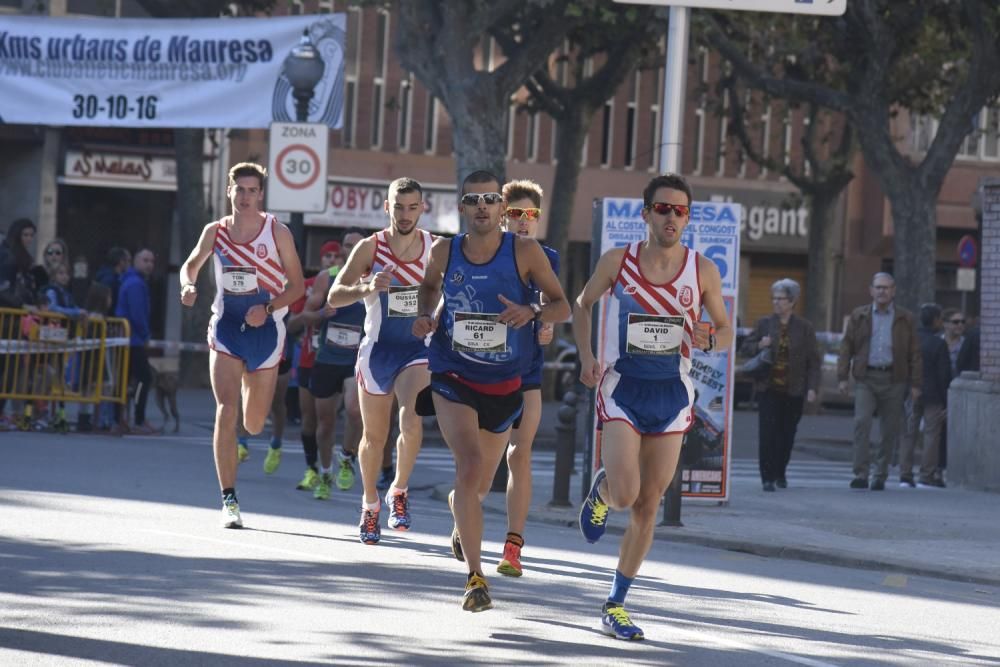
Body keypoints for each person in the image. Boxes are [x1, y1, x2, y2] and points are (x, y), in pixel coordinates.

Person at [572, 173, 732, 640]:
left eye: (680, 210)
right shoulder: (619, 261)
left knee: (647, 506)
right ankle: (603, 492)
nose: (672, 217)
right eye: (663, 208)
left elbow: (723, 329)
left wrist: (710, 338)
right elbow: (582, 304)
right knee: (624, 495)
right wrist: (586, 356)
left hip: (672, 395)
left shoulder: (702, 270)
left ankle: (616, 604)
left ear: (687, 218)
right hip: (624, 387)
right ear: (646, 214)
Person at [412, 169, 569, 612]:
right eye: (472, 199)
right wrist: (425, 316)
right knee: (470, 466)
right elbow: (427, 289)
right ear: (461, 208)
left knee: (479, 484)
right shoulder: (445, 251)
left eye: (489, 199)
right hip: (452, 374)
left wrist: (532, 310)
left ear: (501, 208)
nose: (481, 206)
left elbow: (562, 304)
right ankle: (476, 578)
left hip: (504, 383)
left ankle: (463, 512)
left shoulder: (525, 251)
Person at [179, 162, 304, 528]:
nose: (246, 196)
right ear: (229, 191)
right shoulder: (215, 232)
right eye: (240, 189)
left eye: (252, 190)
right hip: (228, 328)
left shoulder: (276, 231)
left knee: (252, 424)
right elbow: (190, 266)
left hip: (266, 331)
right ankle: (229, 499)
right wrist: (187, 286)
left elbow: (296, 288)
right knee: (226, 411)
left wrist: (267, 308)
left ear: (260, 194)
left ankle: (253, 397)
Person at [329, 179, 436, 544]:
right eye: (398, 207)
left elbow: (448, 293)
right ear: (387, 207)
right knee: (374, 438)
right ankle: (369, 504)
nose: (405, 214)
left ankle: (399, 491)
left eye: (412, 207)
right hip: (376, 350)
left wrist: (434, 317)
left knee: (412, 418)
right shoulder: (368, 247)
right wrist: (366, 287)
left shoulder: (434, 248)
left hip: (416, 349)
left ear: (422, 208)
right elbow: (334, 295)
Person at [493, 178, 558, 577]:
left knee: (519, 453)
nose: (523, 221)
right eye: (515, 214)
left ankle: (513, 546)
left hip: (528, 369)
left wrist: (546, 324)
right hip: (486, 370)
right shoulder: (486, 254)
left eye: (530, 215)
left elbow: (555, 303)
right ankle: (460, 513)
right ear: (503, 217)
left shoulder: (546, 255)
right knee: (481, 462)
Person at [837, 272, 921, 491]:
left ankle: (880, 475)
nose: (882, 291)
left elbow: (914, 352)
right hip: (866, 377)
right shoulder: (859, 315)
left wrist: (915, 384)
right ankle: (861, 473)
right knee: (861, 423)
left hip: (894, 379)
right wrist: (842, 377)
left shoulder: (905, 318)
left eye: (886, 287)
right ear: (871, 290)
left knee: (889, 429)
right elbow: (847, 347)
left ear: (893, 291)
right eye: (878, 287)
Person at [739, 278, 819, 492]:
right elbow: (745, 347)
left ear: (792, 301)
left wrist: (811, 388)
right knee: (767, 434)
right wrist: (759, 344)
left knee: (787, 434)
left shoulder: (804, 327)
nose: (776, 302)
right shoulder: (764, 323)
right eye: (773, 298)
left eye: (781, 299)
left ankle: (780, 472)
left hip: (794, 389)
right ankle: (766, 477)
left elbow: (813, 361)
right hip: (768, 387)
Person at [303, 241, 364, 501]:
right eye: (347, 245)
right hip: (327, 358)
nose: (351, 249)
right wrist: (321, 312)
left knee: (354, 410)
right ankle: (326, 473)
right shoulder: (326, 278)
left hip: (355, 358)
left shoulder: (371, 277)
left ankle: (347, 457)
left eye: (356, 245)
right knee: (325, 424)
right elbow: (307, 313)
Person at [286, 240, 342, 491]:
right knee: (309, 418)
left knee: (327, 420)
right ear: (322, 261)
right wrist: (316, 316)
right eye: (327, 256)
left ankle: (331, 469)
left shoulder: (352, 286)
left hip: (339, 360)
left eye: (336, 256)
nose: (332, 260)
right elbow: (292, 324)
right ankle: (311, 469)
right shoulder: (310, 286)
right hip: (310, 359)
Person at [899, 304, 950, 488]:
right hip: (933, 395)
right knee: (931, 435)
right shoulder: (939, 343)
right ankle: (926, 475)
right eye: (941, 318)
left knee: (908, 434)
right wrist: (946, 402)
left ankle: (905, 475)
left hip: (910, 392)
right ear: (936, 320)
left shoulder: (910, 340)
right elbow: (944, 375)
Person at [115, 248, 158, 436]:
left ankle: (122, 418)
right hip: (133, 340)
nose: (149, 264)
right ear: (135, 261)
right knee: (144, 378)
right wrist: (146, 335)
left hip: (129, 338)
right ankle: (137, 419)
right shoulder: (135, 284)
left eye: (152, 261)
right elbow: (137, 314)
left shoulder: (134, 281)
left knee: (127, 380)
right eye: (145, 260)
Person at [95, 247, 131, 315]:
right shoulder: (110, 280)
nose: (130, 265)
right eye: (128, 261)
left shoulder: (106, 275)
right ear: (121, 262)